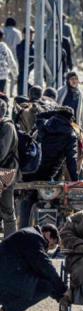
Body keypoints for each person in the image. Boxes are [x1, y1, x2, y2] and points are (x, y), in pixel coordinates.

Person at [0, 224, 67, 311]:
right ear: (47, 234)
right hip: (5, 281)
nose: (46, 249)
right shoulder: (34, 237)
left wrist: (59, 295)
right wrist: (63, 290)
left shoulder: (28, 233)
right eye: (50, 245)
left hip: (8, 276)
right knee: (46, 287)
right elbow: (46, 267)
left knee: (42, 281)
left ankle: (9, 309)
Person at [0, 94, 18, 236]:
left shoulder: (7, 127)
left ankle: (11, 242)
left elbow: (2, 152)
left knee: (7, 209)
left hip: (6, 172)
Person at [15, 27, 34, 95]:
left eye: (32, 33)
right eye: (29, 33)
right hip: (23, 76)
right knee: (21, 97)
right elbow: (22, 58)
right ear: (24, 34)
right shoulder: (19, 46)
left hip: (33, 77)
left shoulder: (36, 45)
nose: (31, 35)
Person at [0, 29, 18, 94]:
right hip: (2, 76)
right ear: (2, 37)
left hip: (2, 76)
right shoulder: (4, 47)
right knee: (2, 95)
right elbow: (11, 61)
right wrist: (15, 74)